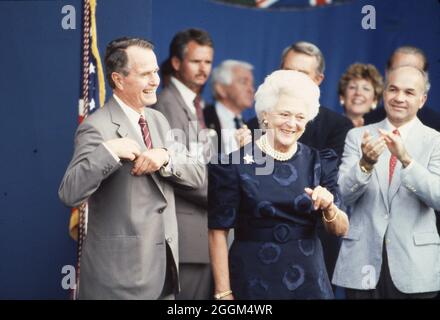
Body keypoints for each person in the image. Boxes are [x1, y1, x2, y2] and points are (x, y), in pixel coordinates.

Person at [58, 37, 205, 299]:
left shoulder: (158, 119)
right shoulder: (97, 127)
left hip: (164, 276)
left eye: (156, 72)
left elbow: (198, 175)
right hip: (119, 283)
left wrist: (166, 157)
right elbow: (69, 192)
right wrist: (109, 152)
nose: (156, 81)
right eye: (145, 74)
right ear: (119, 79)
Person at [208, 70, 349, 300]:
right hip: (251, 280)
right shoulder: (233, 164)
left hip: (310, 283)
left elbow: (341, 228)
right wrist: (223, 293)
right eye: (284, 114)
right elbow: (217, 232)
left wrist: (329, 207)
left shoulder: (319, 161)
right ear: (265, 115)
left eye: (300, 117)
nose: (292, 124)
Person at [332, 65, 440, 299]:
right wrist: (365, 164)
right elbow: (343, 195)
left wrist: (407, 160)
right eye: (393, 89)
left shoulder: (435, 141)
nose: (399, 98)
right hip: (362, 265)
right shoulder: (358, 136)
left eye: (409, 92)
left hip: (415, 269)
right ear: (384, 95)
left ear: (422, 100)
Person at [153, 28, 214, 300]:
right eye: (195, 61)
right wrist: (224, 195)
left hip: (200, 235)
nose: (203, 69)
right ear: (176, 63)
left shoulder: (193, 103)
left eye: (208, 62)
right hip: (186, 235)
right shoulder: (167, 104)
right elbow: (178, 171)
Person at [280, 41, 353, 159]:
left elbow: (328, 174)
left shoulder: (338, 128)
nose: (294, 78)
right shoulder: (259, 122)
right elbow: (255, 172)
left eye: (303, 73)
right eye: (289, 71)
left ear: (318, 79)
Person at [364, 46, 440, 131]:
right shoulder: (367, 121)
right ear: (387, 73)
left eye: (413, 70)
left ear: (425, 77)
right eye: (399, 69)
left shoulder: (436, 126)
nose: (404, 74)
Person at [204, 59, 258, 155]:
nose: (251, 89)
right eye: (243, 82)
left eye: (252, 84)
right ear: (220, 89)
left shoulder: (250, 127)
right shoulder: (202, 118)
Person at [338, 63, 383, 127]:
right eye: (352, 87)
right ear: (342, 97)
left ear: (375, 100)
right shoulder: (329, 128)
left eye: (366, 89)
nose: (358, 93)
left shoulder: (381, 132)